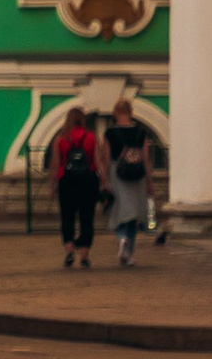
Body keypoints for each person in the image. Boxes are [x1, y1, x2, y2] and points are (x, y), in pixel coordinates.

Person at [48, 108, 102, 268]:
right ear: (82, 120)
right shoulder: (91, 137)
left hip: (67, 181)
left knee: (67, 217)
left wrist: (52, 185)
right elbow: (98, 161)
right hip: (89, 180)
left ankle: (69, 250)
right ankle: (85, 255)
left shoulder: (61, 139)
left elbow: (56, 163)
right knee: (87, 218)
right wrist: (105, 180)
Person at [103, 99, 154, 268]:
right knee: (133, 215)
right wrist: (149, 180)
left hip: (118, 174)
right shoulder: (141, 132)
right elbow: (146, 158)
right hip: (138, 176)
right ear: (131, 112)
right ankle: (130, 254)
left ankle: (122, 238)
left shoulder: (110, 133)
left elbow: (106, 158)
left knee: (119, 212)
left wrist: (104, 179)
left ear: (115, 113)